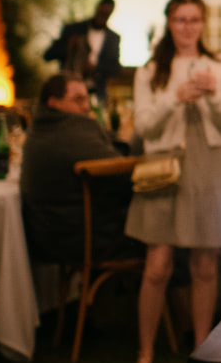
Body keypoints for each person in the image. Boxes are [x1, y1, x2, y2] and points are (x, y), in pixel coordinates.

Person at [124, 0, 221, 363]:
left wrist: (208, 97)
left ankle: (203, 352)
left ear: (202, 24)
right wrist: (176, 97)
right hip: (164, 165)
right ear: (169, 24)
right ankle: (145, 354)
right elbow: (143, 127)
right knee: (157, 265)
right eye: (180, 20)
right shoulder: (150, 71)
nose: (187, 27)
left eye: (194, 20)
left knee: (204, 265)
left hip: (208, 165)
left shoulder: (219, 68)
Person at [20, 74, 140, 265]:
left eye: (86, 99)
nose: (86, 107)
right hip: (82, 240)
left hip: (46, 238)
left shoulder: (40, 129)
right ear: (53, 103)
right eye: (78, 100)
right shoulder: (71, 129)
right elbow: (122, 176)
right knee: (161, 232)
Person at [44, 0, 121, 102]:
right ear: (97, 8)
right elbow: (48, 55)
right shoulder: (73, 29)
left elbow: (115, 69)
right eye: (101, 12)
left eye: (106, 14)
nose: (103, 16)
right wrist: (68, 45)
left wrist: (95, 68)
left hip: (96, 93)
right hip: (67, 92)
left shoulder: (113, 38)